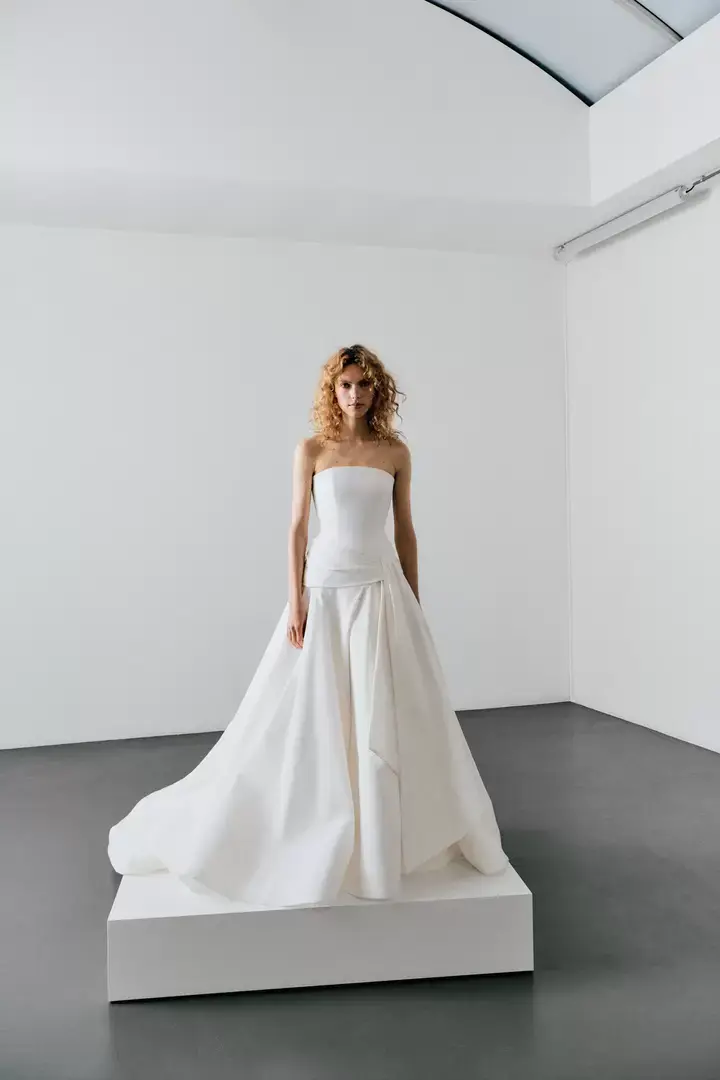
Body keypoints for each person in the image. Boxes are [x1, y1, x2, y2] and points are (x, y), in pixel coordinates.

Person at [108, 344, 508, 908]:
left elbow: (405, 530)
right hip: (325, 590)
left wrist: (414, 601)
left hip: (380, 590)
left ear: (377, 389)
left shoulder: (395, 452)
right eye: (345, 385)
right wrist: (295, 600)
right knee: (313, 712)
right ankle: (313, 824)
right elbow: (298, 528)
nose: (355, 394)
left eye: (363, 384)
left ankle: (383, 839)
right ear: (332, 391)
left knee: (385, 712)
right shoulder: (313, 450)